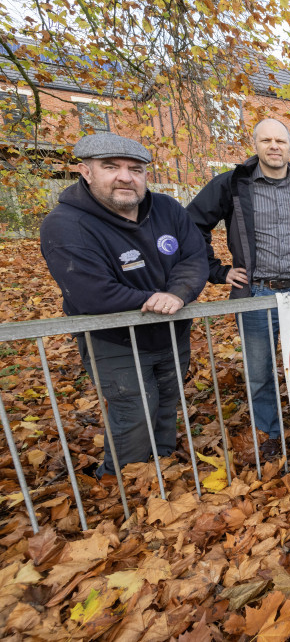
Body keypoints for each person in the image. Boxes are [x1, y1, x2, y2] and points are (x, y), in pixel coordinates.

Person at [40, 133, 208, 477]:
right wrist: (152, 300)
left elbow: (194, 257)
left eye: (136, 169)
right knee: (133, 412)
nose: (126, 176)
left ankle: (158, 469)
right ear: (86, 172)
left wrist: (177, 294)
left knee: (165, 404)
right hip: (116, 341)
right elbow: (90, 292)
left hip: (172, 333)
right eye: (111, 167)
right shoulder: (65, 225)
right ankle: (123, 483)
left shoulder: (167, 209)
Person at [186, 118, 290, 455]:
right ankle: (270, 435)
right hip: (256, 294)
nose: (274, 146)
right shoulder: (232, 185)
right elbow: (192, 224)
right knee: (259, 372)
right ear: (255, 144)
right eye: (266, 140)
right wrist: (217, 272)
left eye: (280, 140)